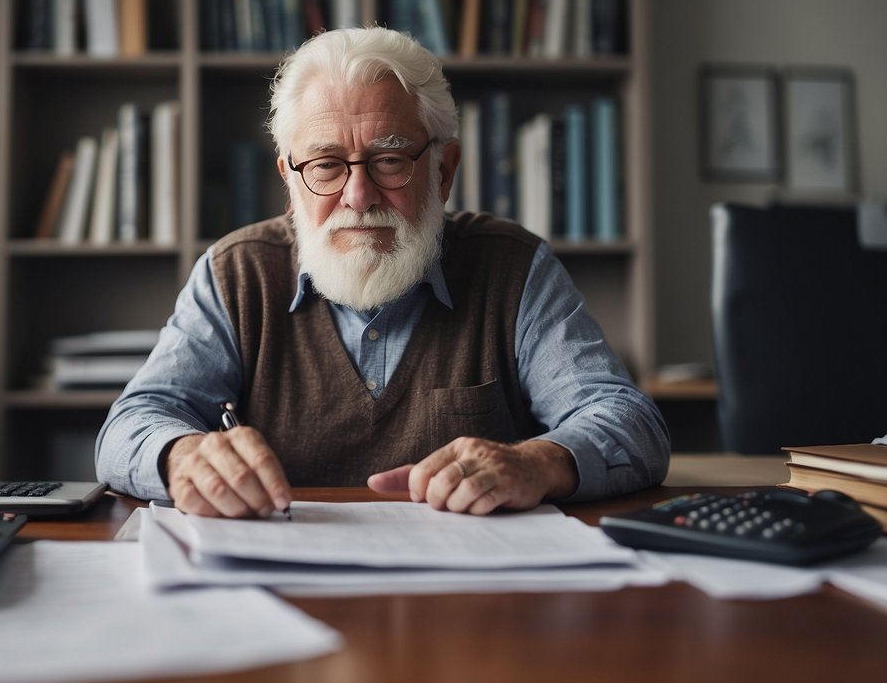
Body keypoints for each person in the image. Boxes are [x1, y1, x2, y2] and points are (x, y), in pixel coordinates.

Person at [95, 26, 669, 518]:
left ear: (444, 170)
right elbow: (130, 426)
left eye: (390, 159)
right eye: (324, 165)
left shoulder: (513, 268)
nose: (358, 194)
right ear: (291, 181)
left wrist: (537, 461)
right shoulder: (236, 274)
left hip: (470, 603)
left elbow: (630, 425)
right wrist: (182, 455)